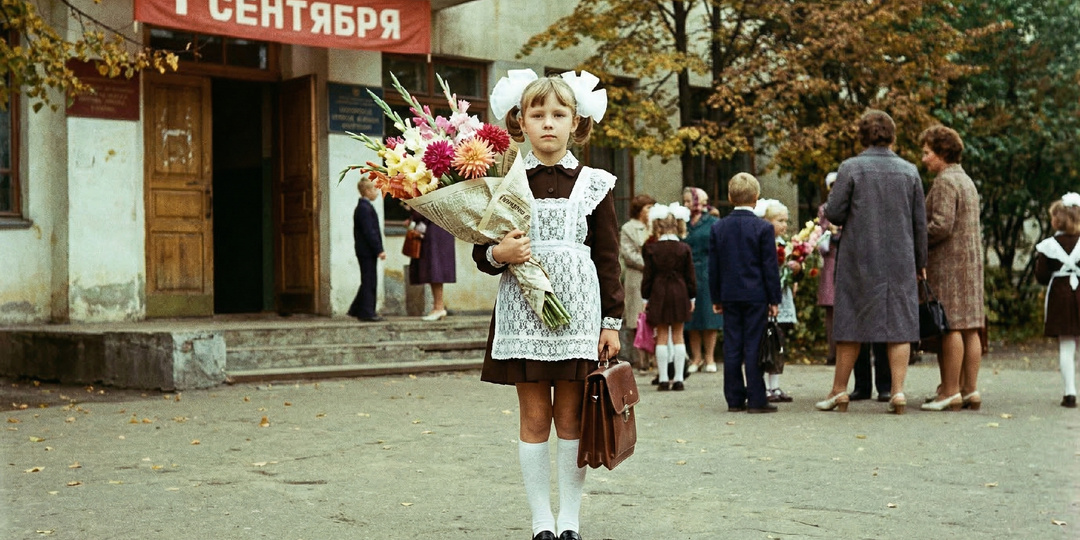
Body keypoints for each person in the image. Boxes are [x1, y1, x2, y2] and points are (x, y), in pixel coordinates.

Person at [472, 70, 623, 540]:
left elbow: (609, 257)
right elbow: (481, 249)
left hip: (578, 318)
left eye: (559, 114)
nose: (548, 124)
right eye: (537, 115)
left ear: (576, 122)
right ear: (521, 122)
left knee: (572, 418)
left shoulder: (594, 183)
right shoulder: (506, 182)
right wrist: (500, 254)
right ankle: (541, 522)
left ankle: (570, 521)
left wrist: (611, 322)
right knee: (535, 417)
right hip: (525, 315)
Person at [815, 109, 927, 415]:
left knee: (850, 321)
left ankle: (839, 391)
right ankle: (898, 392)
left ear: (862, 136)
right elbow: (920, 222)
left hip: (859, 257)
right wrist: (921, 262)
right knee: (900, 323)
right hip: (901, 258)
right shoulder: (910, 171)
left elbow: (835, 213)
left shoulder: (851, 168)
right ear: (892, 135)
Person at [918, 125, 985, 411]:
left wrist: (917, 238)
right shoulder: (966, 180)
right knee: (970, 327)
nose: (923, 159)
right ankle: (969, 389)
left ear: (942, 153)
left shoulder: (945, 181)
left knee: (951, 326)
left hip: (948, 264)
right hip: (970, 263)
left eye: (927, 153)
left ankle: (949, 391)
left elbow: (941, 225)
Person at [709, 172, 782, 413]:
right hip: (756, 295)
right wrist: (774, 298)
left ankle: (734, 399)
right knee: (753, 344)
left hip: (729, 294)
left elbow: (714, 266)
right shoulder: (763, 228)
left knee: (732, 345)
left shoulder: (719, 227)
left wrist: (716, 297)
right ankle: (757, 398)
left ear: (730, 197)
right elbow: (769, 267)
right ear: (756, 198)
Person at [641, 202, 695, 391]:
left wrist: (645, 299)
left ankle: (664, 379)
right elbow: (690, 275)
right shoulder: (684, 248)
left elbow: (647, 277)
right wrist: (692, 297)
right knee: (679, 335)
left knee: (662, 336)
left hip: (658, 293)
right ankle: (679, 379)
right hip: (680, 292)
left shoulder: (652, 249)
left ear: (657, 225)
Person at [1034, 193, 1080, 409]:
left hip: (1061, 296)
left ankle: (1070, 392)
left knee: (1067, 344)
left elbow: (1041, 276)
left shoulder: (1050, 245)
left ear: (1057, 220)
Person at [758, 199, 796, 402]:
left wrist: (796, 270)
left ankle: (776, 385)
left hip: (783, 297)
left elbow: (792, 273)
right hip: (768, 298)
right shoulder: (762, 242)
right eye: (779, 220)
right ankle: (763, 385)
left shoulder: (785, 244)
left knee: (778, 341)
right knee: (765, 341)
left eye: (786, 221)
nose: (784, 225)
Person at [682, 187, 723, 373]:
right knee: (692, 316)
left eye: (689, 201)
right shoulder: (682, 222)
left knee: (708, 315)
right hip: (687, 271)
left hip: (707, 270)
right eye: (684, 201)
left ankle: (710, 358)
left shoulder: (713, 221)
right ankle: (696, 358)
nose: (686, 204)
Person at [620, 194, 657, 371]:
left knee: (655, 317)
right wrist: (650, 264)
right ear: (639, 209)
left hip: (656, 278)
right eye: (648, 207)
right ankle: (640, 359)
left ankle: (656, 359)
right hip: (637, 278)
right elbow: (628, 255)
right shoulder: (628, 228)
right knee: (636, 318)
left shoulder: (656, 225)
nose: (651, 211)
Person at [347, 179, 386, 322]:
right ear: (368, 191)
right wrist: (379, 249)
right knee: (370, 281)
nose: (377, 193)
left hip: (365, 251)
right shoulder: (364, 208)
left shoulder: (364, 207)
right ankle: (367, 312)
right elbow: (370, 232)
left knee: (367, 280)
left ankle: (357, 308)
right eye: (375, 190)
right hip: (367, 251)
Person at [407, 210, 456, 321]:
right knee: (436, 269)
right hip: (443, 229)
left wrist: (412, 211)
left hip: (433, 232)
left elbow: (422, 210)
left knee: (434, 269)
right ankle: (438, 306)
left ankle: (438, 307)